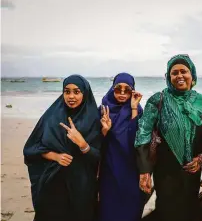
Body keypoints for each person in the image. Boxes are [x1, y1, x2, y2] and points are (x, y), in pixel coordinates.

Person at [135, 54, 202, 221]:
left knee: (190, 210)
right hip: (165, 172)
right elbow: (142, 134)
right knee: (167, 210)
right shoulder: (158, 99)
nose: (179, 76)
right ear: (168, 77)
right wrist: (144, 171)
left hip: (192, 170)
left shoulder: (201, 101)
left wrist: (201, 158)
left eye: (184, 71)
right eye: (174, 72)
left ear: (192, 75)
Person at [23, 75, 102, 221]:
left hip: (82, 187)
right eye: (67, 91)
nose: (71, 96)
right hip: (53, 184)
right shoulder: (52, 116)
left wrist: (83, 144)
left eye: (76, 92)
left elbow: (99, 158)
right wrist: (54, 156)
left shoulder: (94, 120)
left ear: (85, 94)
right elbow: (30, 148)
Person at [98, 73, 144, 221]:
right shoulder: (103, 110)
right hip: (109, 168)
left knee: (131, 208)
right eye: (118, 89)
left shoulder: (138, 110)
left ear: (133, 91)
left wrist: (134, 109)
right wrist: (105, 130)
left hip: (131, 169)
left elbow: (137, 140)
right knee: (109, 209)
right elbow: (94, 143)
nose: (122, 93)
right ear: (112, 89)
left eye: (127, 90)